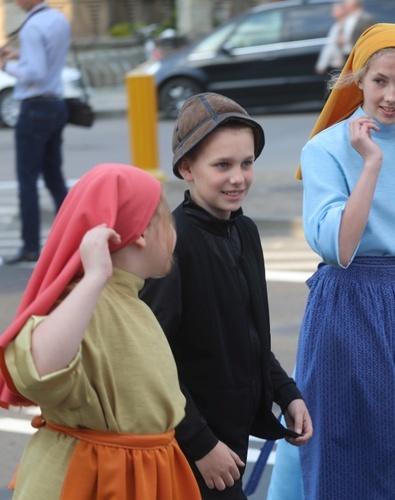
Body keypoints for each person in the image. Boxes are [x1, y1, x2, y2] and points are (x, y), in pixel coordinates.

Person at [269, 23, 395, 499]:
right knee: (339, 437)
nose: (391, 96)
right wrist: (370, 164)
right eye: (380, 80)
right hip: (343, 303)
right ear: (358, 78)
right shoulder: (324, 148)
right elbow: (339, 249)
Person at [139, 92, 312, 499]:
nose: (238, 178)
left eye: (246, 163)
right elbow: (150, 363)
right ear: (187, 168)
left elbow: (249, 336)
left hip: (229, 439)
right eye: (222, 165)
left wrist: (286, 393)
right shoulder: (172, 245)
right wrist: (200, 444)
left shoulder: (244, 231)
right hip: (187, 447)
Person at [0, 163, 201, 499]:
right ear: (140, 233)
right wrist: (93, 278)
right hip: (92, 480)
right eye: (167, 219)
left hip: (142, 473)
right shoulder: (85, 298)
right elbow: (39, 369)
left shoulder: (128, 298)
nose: (175, 230)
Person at [0, 0, 71, 264]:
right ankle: (75, 237)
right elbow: (47, 56)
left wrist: (5, 66)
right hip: (56, 104)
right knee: (54, 177)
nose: (16, 2)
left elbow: (35, 73)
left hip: (35, 106)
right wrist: (17, 55)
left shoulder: (32, 26)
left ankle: (30, 245)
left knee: (27, 180)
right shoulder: (58, 19)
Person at [315, 2, 346, 75]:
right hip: (338, 62)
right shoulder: (337, 26)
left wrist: (322, 64)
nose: (333, 13)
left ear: (343, 10)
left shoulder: (347, 24)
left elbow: (331, 46)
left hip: (344, 61)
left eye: (335, 10)